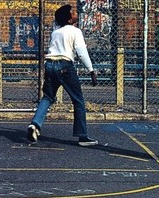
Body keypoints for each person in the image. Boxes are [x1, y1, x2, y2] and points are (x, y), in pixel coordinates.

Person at [27, 4, 98, 147]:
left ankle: (35, 124)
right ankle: (82, 136)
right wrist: (91, 70)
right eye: (73, 13)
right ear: (70, 19)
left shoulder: (56, 32)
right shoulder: (75, 31)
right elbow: (81, 51)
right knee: (78, 100)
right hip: (65, 66)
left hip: (50, 64)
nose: (75, 13)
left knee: (47, 97)